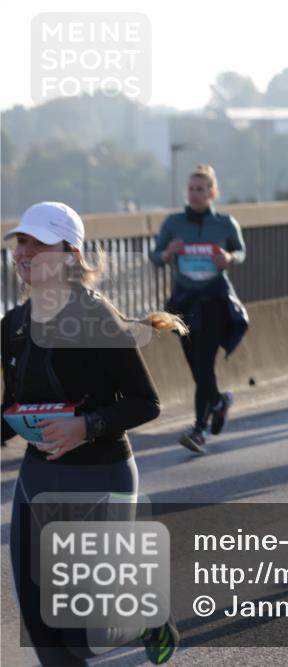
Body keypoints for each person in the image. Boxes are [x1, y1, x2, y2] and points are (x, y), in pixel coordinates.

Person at [3, 202, 183, 665]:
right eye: (21, 242)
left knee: (82, 633)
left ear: (69, 253)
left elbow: (147, 402)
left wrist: (86, 425)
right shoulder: (13, 326)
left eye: (37, 243)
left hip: (101, 476)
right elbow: (13, 403)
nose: (24, 252)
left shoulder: (95, 317)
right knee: (46, 635)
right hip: (37, 479)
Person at [149, 164, 248, 454]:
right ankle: (218, 402)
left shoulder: (225, 223)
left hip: (215, 300)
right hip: (184, 302)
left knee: (204, 363)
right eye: (191, 189)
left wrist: (228, 257)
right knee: (195, 364)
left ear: (212, 193)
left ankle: (199, 429)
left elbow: (240, 252)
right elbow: (155, 256)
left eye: (201, 189)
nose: (195, 194)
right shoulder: (173, 224)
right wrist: (168, 253)